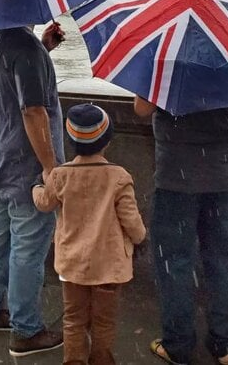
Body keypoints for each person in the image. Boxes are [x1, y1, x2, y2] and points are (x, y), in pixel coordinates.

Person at [135, 96, 228, 365]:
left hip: (174, 176)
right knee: (222, 261)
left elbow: (141, 108)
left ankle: (178, 346)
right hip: (222, 178)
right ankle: (224, 345)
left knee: (174, 262)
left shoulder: (166, 58)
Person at [0, 21, 67, 358]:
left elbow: (8, 91)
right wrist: (51, 168)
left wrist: (43, 47)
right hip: (26, 165)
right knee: (28, 245)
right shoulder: (24, 49)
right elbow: (33, 111)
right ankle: (26, 330)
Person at [33, 104, 147, 365]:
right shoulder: (118, 176)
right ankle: (101, 360)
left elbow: (44, 203)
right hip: (108, 265)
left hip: (73, 264)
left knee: (73, 318)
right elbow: (131, 221)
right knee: (103, 321)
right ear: (107, 141)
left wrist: (37, 186)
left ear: (71, 141)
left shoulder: (61, 176)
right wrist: (141, 239)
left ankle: (74, 361)